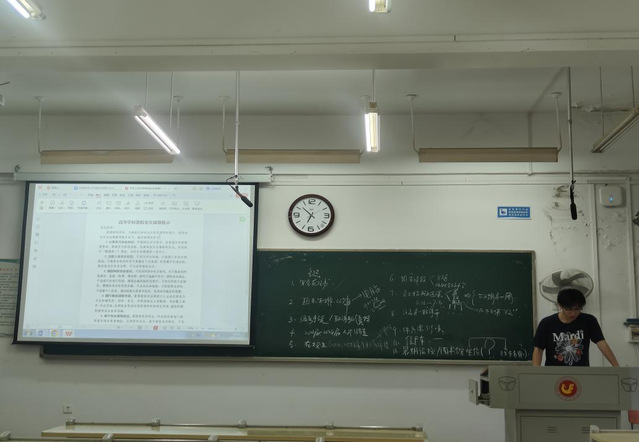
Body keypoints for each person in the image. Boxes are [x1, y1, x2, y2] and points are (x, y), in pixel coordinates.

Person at [532, 288, 619, 367]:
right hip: (554, 373)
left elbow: (601, 343)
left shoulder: (589, 320)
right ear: (560, 306)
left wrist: (616, 367)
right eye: (569, 309)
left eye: (577, 309)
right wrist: (536, 374)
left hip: (581, 372)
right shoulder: (547, 323)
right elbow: (538, 350)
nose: (573, 313)